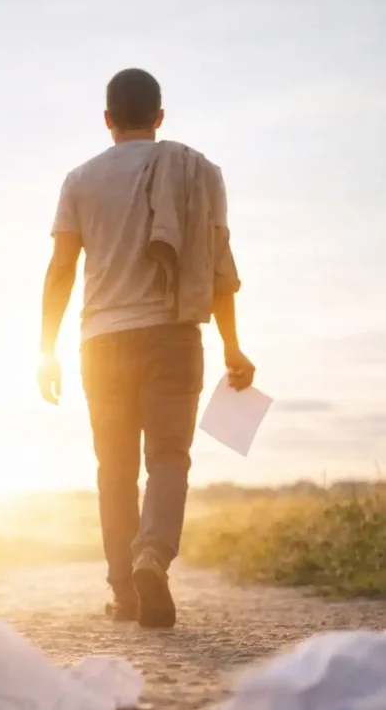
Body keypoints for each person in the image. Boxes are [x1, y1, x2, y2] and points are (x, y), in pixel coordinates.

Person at [38, 67, 255, 629]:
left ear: (107, 119)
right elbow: (216, 266)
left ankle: (124, 594)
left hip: (101, 341)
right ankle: (151, 557)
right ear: (160, 118)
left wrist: (45, 348)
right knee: (167, 458)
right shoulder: (199, 172)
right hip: (173, 334)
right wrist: (231, 344)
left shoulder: (79, 179)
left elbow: (62, 268)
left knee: (114, 467)